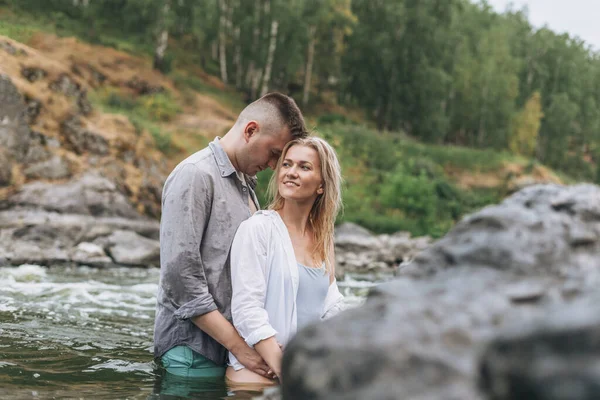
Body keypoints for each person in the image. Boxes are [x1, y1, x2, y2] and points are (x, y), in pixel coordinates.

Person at [154, 92, 308, 379]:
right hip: (192, 354)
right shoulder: (195, 174)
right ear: (250, 131)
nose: (275, 165)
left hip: (227, 353)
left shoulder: (245, 183)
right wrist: (242, 349)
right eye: (275, 153)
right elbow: (180, 280)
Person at [225, 136, 346, 385]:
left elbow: (332, 307)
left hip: (304, 373)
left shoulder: (324, 238)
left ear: (321, 185)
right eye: (287, 164)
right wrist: (283, 368)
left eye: (304, 167)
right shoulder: (258, 228)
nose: (291, 173)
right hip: (258, 378)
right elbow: (247, 310)